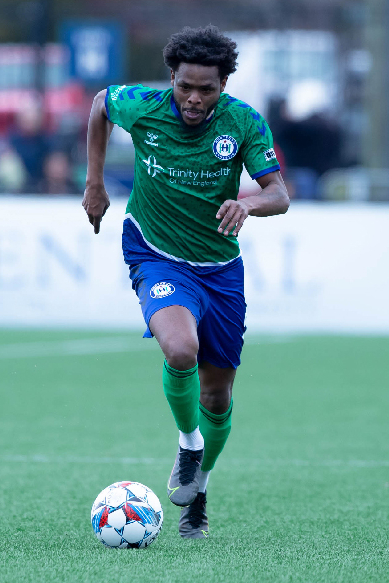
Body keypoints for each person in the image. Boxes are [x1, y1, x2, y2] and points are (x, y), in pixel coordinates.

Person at [82, 26, 290, 540]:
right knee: (180, 350)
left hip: (219, 269)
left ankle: (199, 487)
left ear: (223, 85)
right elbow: (98, 106)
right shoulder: (142, 105)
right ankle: (188, 442)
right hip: (154, 253)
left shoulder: (243, 123)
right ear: (172, 77)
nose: (195, 99)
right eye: (186, 87)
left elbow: (280, 194)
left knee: (217, 397)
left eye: (208, 90)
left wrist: (248, 203)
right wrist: (94, 182)